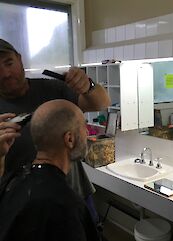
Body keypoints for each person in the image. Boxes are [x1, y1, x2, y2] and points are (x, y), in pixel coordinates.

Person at [0, 38, 110, 220]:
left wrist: (87, 86)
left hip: (74, 191)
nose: (5, 73)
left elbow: (102, 103)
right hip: (27, 207)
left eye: (8, 63)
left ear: (19, 59)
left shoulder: (52, 88)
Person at [0, 100, 99, 241]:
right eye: (83, 126)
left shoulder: (11, 182)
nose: (87, 132)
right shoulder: (67, 206)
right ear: (69, 139)